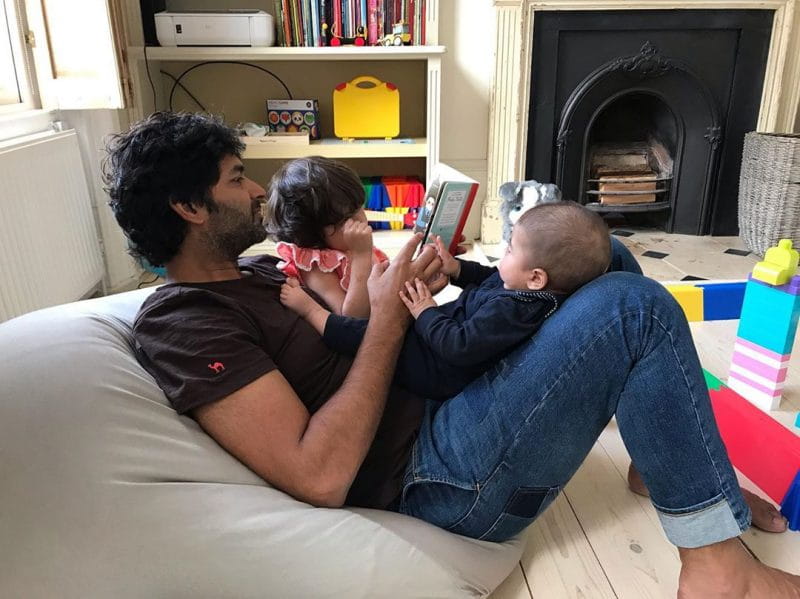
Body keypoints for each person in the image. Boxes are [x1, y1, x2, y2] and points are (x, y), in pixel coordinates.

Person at [105, 112, 799, 598]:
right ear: (188, 207)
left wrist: (414, 287)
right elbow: (318, 473)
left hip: (438, 402)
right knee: (633, 309)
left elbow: (359, 336)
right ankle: (719, 575)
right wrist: (389, 317)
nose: (256, 189)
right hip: (435, 477)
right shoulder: (185, 322)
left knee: (595, 250)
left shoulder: (258, 274)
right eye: (234, 178)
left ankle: (668, 466)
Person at [280, 202, 611, 400]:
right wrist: (456, 269)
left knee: (368, 332)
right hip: (440, 334)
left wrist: (426, 312)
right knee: (389, 314)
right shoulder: (525, 290)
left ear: (537, 277)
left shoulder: (513, 311)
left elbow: (458, 346)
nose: (503, 254)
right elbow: (492, 278)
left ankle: (312, 313)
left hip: (437, 369)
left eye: (510, 250)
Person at [266, 156, 389, 318]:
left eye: (358, 208)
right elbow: (352, 318)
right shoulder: (315, 264)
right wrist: (361, 257)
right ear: (311, 232)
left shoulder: (350, 247)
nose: (360, 220)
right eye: (345, 219)